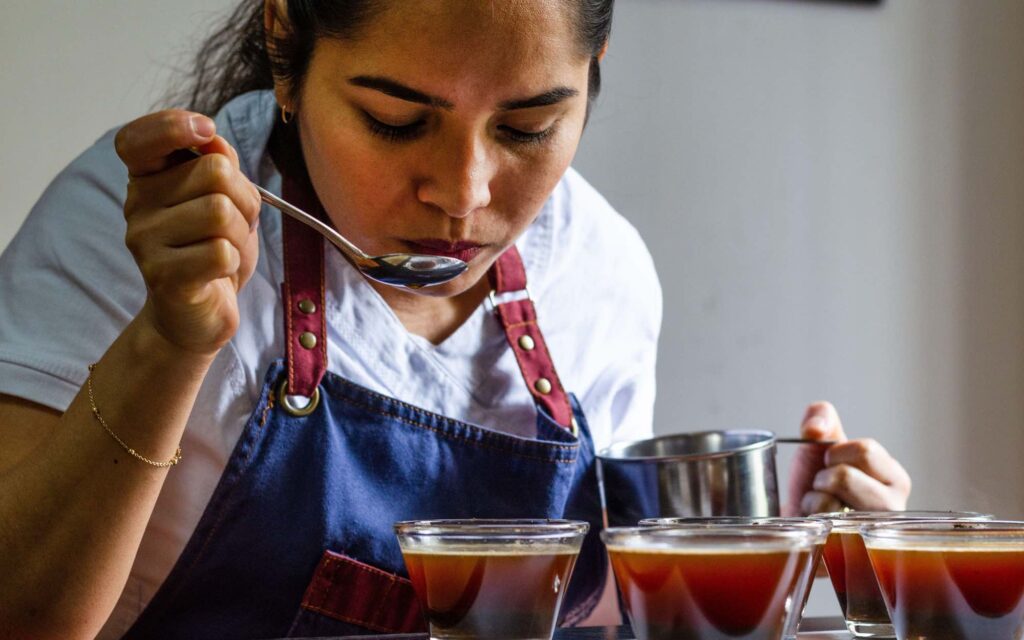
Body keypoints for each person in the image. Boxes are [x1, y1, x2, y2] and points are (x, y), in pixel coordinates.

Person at [0, 1, 911, 638]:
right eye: (397, 120)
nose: (465, 196)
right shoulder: (144, 226)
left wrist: (789, 550)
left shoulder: (601, 272)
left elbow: (594, 617)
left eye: (526, 128)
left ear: (591, 76)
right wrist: (169, 342)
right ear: (285, 44)